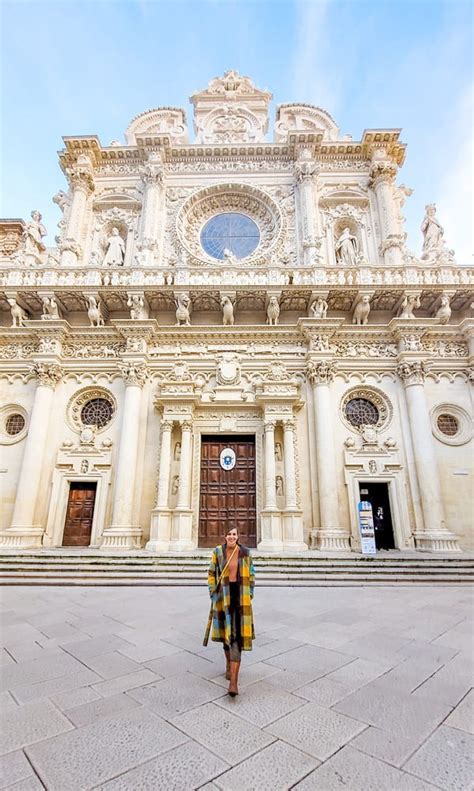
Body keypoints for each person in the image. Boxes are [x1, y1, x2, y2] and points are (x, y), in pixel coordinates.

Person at [203, 526, 255, 696]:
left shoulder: (245, 553)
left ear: (238, 536)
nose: (231, 537)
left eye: (234, 534)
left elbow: (252, 574)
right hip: (222, 597)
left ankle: (233, 682)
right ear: (224, 536)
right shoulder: (218, 552)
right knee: (226, 635)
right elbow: (211, 572)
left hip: (240, 598)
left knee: (236, 637)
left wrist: (250, 594)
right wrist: (213, 591)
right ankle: (228, 663)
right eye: (229, 534)